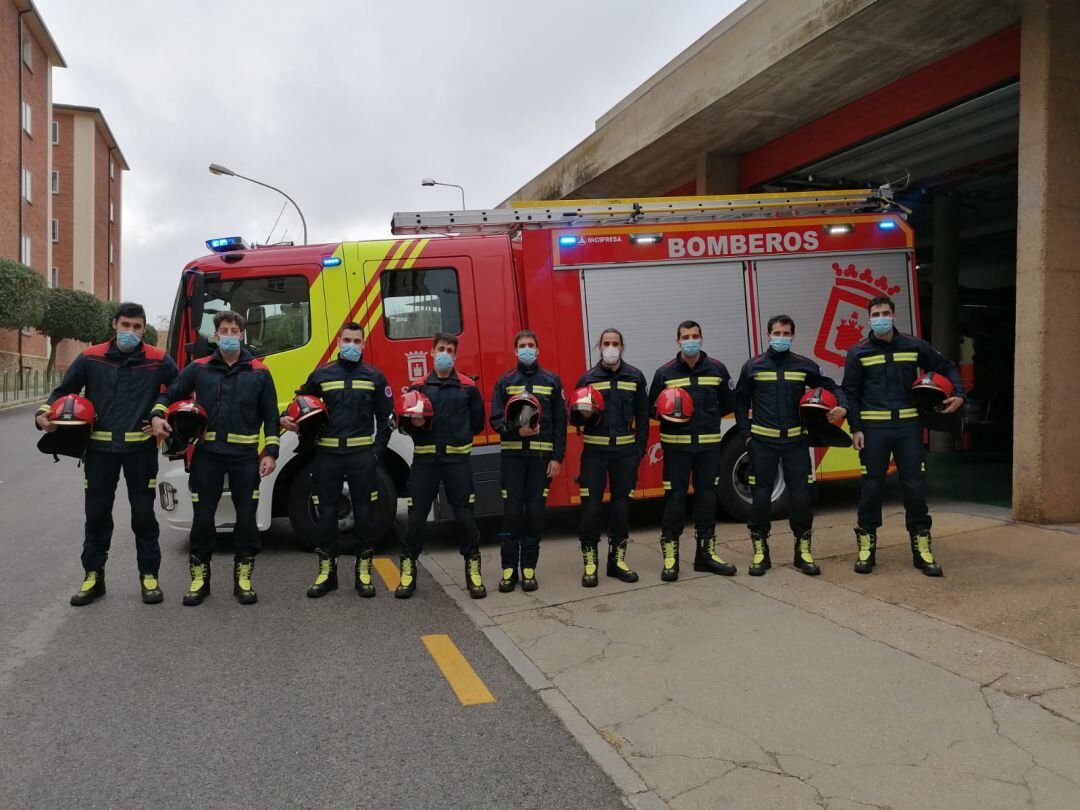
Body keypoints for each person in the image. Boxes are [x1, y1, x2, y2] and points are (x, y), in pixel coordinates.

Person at [36, 302, 178, 606]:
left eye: (137, 327)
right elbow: (64, 391)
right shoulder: (91, 357)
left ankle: (149, 577)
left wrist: (160, 412)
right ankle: (93, 577)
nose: (130, 332)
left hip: (140, 451)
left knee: (143, 515)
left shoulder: (158, 359)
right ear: (115, 324)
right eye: (125, 325)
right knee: (97, 515)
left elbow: (179, 390)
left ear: (143, 329)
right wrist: (43, 413)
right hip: (99, 451)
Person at [150, 311, 280, 605]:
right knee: (203, 519)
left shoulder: (259, 372)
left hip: (245, 458)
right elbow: (170, 394)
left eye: (234, 330)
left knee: (246, 519)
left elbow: (271, 416)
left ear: (242, 335)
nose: (229, 335)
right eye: (224, 330)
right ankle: (199, 580)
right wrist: (157, 414)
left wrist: (271, 452)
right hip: (207, 456)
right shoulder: (199, 368)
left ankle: (243, 579)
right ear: (216, 335)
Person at [842, 296, 965, 576]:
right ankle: (866, 548)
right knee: (871, 489)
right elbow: (850, 392)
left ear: (894, 316)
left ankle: (922, 550)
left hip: (908, 429)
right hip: (873, 431)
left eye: (885, 313)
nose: (881, 318)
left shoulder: (913, 345)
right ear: (868, 318)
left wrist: (959, 393)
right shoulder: (857, 352)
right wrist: (855, 428)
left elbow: (947, 366)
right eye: (876, 314)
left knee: (915, 489)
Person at [281, 322, 394, 599]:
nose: (351, 345)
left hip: (361, 457)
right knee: (326, 515)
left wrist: (376, 453)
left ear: (363, 344)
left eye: (357, 341)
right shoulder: (322, 374)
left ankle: (363, 573)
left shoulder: (374, 377)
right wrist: (285, 417)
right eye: (347, 340)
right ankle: (326, 574)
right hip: (327, 457)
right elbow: (300, 402)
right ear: (339, 342)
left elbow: (387, 419)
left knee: (365, 515)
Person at [735, 315, 848, 576]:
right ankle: (761, 553)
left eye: (786, 333)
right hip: (762, 443)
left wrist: (843, 406)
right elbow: (739, 402)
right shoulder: (753, 366)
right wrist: (746, 436)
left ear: (793, 336)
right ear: (768, 335)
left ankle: (803, 551)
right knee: (760, 497)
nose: (781, 337)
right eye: (777, 333)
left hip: (795, 442)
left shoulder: (803, 365)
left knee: (801, 496)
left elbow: (831, 386)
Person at [397, 333, 486, 599]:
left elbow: (477, 424)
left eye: (449, 349)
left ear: (455, 355)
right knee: (416, 518)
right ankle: (408, 569)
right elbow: (404, 426)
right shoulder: (418, 388)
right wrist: (415, 425)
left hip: (457, 462)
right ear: (431, 352)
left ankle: (473, 569)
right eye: (440, 349)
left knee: (465, 517)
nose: (444, 353)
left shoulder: (468, 387)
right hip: (425, 463)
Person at [648, 320, 737, 581]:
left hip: (708, 446)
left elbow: (728, 403)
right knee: (675, 498)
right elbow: (651, 407)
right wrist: (670, 413)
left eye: (695, 336)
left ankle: (705, 555)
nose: (690, 341)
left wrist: (708, 418)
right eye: (685, 337)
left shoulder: (717, 369)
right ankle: (671, 557)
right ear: (677, 341)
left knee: (707, 497)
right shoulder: (664, 373)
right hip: (676, 448)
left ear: (701, 338)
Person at [489, 330, 566, 592]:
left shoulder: (552, 380)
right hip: (512, 459)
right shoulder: (505, 382)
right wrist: (516, 431)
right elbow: (496, 419)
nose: (526, 349)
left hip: (540, 461)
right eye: (522, 345)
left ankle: (529, 568)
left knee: (534, 514)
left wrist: (557, 458)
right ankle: (509, 569)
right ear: (515, 350)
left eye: (531, 344)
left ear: (538, 349)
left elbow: (560, 423)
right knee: (511, 515)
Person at [573, 328, 649, 587]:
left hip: (625, 455)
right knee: (591, 509)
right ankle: (590, 564)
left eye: (615, 343)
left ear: (622, 347)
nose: (611, 347)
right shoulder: (587, 379)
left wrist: (639, 451)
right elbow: (573, 418)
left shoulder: (635, 376)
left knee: (621, 509)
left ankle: (617, 561)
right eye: (606, 343)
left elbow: (643, 416)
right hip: (594, 455)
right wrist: (582, 415)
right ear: (599, 347)